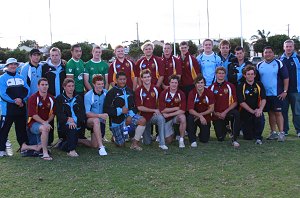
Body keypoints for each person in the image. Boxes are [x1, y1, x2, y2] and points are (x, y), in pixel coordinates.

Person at [0, 58, 39, 157]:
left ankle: (23, 147)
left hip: (20, 108)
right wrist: (14, 101)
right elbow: (3, 93)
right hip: (7, 110)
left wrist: (21, 99)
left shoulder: (21, 77)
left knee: (21, 129)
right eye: (10, 64)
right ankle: (1, 149)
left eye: (14, 64)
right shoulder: (2, 78)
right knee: (4, 130)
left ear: (17, 66)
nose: (13, 66)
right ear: (7, 66)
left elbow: (27, 90)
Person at [104, 71, 146, 150]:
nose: (122, 81)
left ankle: (134, 144)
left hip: (129, 118)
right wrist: (120, 111)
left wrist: (130, 115)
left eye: (124, 79)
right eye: (120, 79)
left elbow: (135, 106)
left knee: (142, 121)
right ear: (116, 80)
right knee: (121, 145)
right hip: (117, 121)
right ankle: (115, 137)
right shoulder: (111, 93)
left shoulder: (130, 91)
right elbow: (107, 109)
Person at [257, 46, 289, 142]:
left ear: (273, 53)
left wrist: (285, 91)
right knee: (271, 113)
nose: (268, 54)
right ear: (263, 54)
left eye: (270, 52)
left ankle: (281, 133)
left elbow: (286, 78)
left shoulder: (279, 63)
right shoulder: (259, 65)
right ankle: (273, 132)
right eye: (266, 52)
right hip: (265, 95)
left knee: (278, 113)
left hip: (277, 94)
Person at [135, 69, 168, 150]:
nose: (147, 79)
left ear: (151, 78)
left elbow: (161, 103)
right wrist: (153, 110)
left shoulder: (156, 88)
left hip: (154, 116)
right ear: (141, 79)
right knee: (147, 142)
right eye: (145, 77)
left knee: (161, 118)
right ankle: (146, 137)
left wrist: (158, 110)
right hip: (144, 118)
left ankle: (162, 143)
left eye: (148, 77)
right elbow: (139, 107)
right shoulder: (138, 90)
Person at [209, 67, 240, 147]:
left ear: (225, 74)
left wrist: (224, 113)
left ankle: (234, 138)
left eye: (223, 73)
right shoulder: (211, 87)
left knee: (236, 114)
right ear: (216, 74)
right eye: (219, 73)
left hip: (228, 112)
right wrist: (215, 113)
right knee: (220, 138)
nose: (221, 75)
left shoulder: (230, 86)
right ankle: (227, 128)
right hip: (217, 114)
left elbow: (235, 102)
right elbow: (209, 105)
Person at [41, 47, 66, 144]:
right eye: (52, 55)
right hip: (49, 97)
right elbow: (43, 82)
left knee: (61, 118)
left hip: (61, 97)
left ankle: (62, 139)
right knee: (49, 118)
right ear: (50, 56)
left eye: (57, 55)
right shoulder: (45, 67)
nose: (55, 57)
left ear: (60, 55)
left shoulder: (64, 66)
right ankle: (49, 141)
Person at [56, 78, 86, 157]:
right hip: (65, 125)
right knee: (71, 127)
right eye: (69, 86)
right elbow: (59, 114)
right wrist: (68, 120)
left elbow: (82, 113)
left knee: (73, 139)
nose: (71, 88)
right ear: (64, 87)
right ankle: (71, 151)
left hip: (77, 123)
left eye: (73, 86)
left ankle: (62, 144)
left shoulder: (78, 98)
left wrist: (75, 121)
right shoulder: (59, 98)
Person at [27, 78, 55, 160]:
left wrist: (47, 121)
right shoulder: (33, 98)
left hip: (45, 122)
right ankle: (45, 153)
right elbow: (33, 115)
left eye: (46, 85)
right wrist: (44, 123)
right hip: (33, 124)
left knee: (44, 128)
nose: (44, 86)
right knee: (44, 128)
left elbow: (53, 113)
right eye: (42, 85)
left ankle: (28, 147)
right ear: (38, 86)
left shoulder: (51, 98)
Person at [237, 65, 266, 144]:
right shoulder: (241, 86)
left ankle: (258, 137)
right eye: (248, 74)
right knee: (248, 137)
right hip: (245, 112)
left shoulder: (259, 84)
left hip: (257, 110)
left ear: (255, 75)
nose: (250, 76)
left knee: (260, 117)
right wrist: (252, 111)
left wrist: (260, 109)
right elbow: (241, 102)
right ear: (244, 75)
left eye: (252, 74)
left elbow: (263, 99)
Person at [187, 74, 214, 147]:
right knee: (190, 118)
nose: (200, 84)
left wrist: (201, 115)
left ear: (204, 84)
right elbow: (190, 110)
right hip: (194, 116)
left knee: (204, 140)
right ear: (195, 84)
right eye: (198, 83)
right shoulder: (192, 93)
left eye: (202, 82)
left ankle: (201, 135)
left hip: (205, 117)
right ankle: (192, 140)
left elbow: (211, 109)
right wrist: (199, 116)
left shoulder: (209, 92)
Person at [159, 74, 186, 148]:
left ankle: (181, 140)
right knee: (169, 141)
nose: (174, 84)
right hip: (166, 119)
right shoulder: (164, 93)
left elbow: (183, 110)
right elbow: (162, 109)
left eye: (176, 83)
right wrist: (176, 108)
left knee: (182, 117)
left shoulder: (181, 94)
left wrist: (169, 114)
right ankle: (173, 132)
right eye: (172, 82)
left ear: (178, 84)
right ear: (169, 83)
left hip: (174, 117)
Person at [84, 75, 108, 156]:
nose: (101, 86)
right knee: (96, 120)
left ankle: (78, 140)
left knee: (94, 145)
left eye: (102, 84)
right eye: (98, 84)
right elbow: (87, 113)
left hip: (100, 121)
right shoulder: (88, 96)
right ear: (93, 84)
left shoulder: (106, 93)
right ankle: (101, 147)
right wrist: (100, 115)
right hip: (90, 120)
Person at [280, 39, 300, 137]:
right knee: (283, 111)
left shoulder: (298, 59)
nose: (288, 48)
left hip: (296, 90)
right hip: (283, 91)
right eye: (286, 46)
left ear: (293, 47)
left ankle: (298, 130)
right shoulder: (280, 60)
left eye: (290, 46)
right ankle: (285, 130)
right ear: (284, 48)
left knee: (297, 111)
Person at [66, 44, 86, 139]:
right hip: (75, 93)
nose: (79, 53)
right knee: (75, 113)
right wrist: (73, 95)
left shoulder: (81, 62)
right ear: (72, 52)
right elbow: (70, 81)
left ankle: (81, 135)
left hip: (81, 92)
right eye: (76, 51)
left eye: (80, 51)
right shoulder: (70, 63)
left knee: (81, 113)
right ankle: (74, 136)